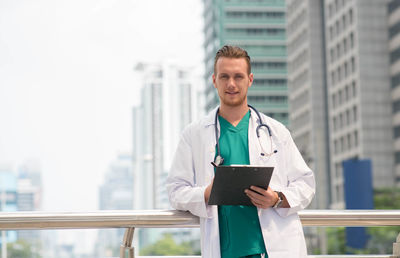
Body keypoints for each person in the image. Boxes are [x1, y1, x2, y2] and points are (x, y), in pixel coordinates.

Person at [166, 45, 315, 258]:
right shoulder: (194, 134)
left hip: (274, 249)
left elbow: (306, 184)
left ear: (250, 79)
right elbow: (175, 190)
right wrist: (206, 194)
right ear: (214, 80)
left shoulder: (275, 131)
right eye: (224, 76)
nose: (231, 84)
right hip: (225, 250)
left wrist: (277, 198)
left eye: (238, 76)